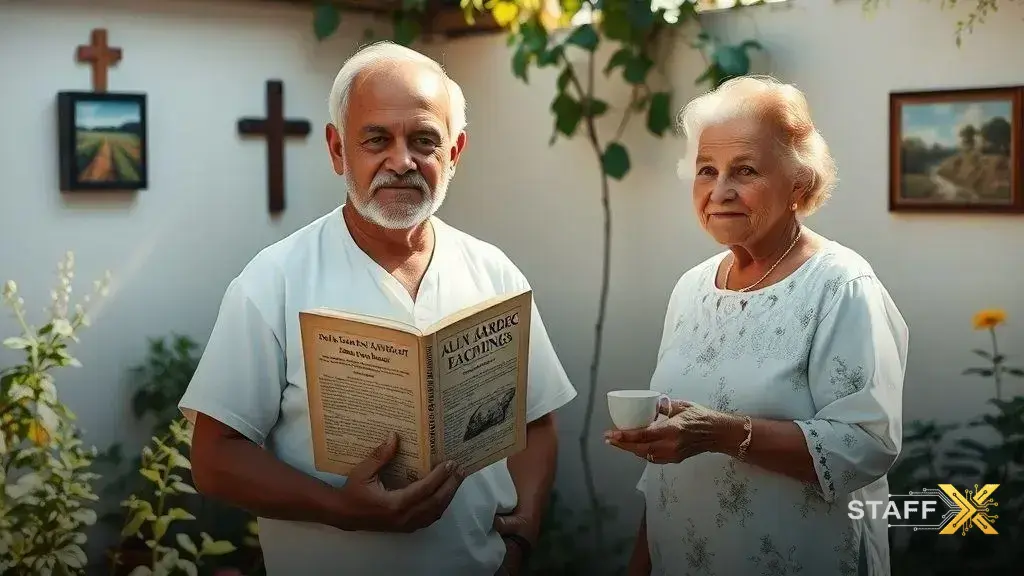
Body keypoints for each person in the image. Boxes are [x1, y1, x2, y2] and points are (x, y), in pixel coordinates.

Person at [178, 41, 577, 576]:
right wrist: (340, 509)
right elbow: (214, 458)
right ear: (338, 150)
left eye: (424, 140)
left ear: (454, 153)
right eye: (376, 140)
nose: (402, 161)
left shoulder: (494, 273)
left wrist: (523, 537)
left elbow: (536, 422)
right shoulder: (274, 281)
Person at [604, 75, 909, 576]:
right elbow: (666, 477)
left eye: (744, 170)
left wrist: (725, 435)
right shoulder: (693, 289)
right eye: (706, 170)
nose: (719, 190)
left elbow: (867, 446)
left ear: (799, 183)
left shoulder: (841, 286)